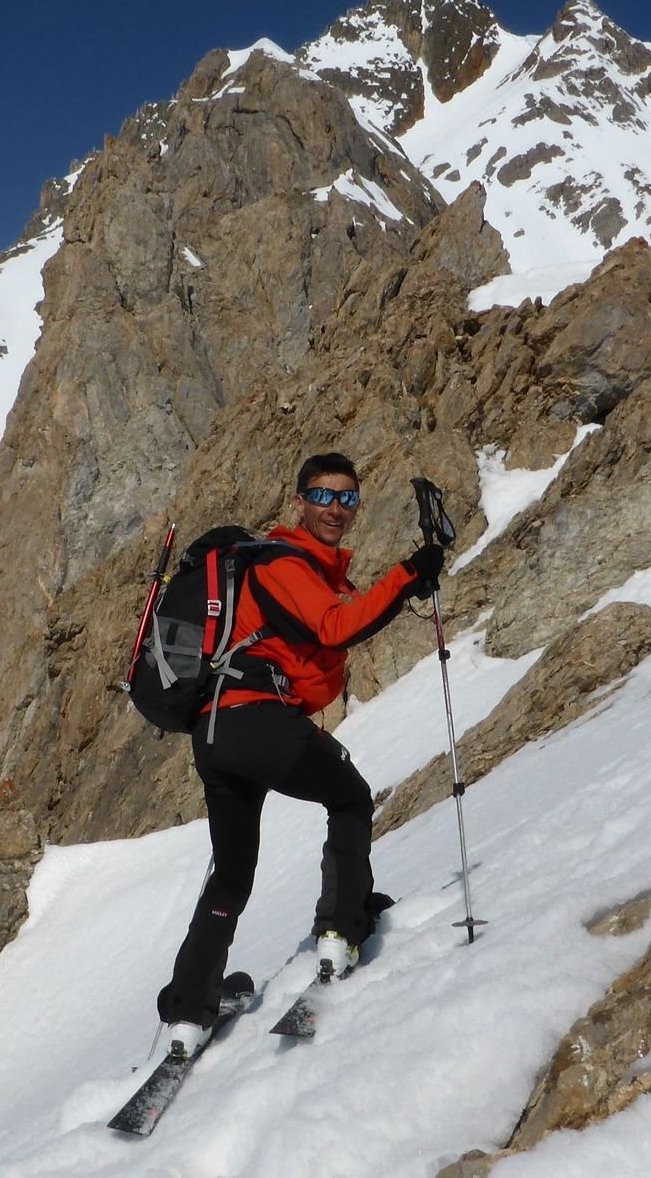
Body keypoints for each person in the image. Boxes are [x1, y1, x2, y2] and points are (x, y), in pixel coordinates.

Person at [156, 452, 445, 1055]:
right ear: (299, 502)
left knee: (231, 874)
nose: (335, 509)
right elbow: (338, 627)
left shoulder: (309, 572)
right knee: (350, 798)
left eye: (347, 498)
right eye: (323, 495)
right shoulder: (283, 562)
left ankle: (187, 1012)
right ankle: (341, 930)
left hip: (218, 734)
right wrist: (407, 573)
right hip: (257, 721)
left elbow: (348, 615)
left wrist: (408, 583)